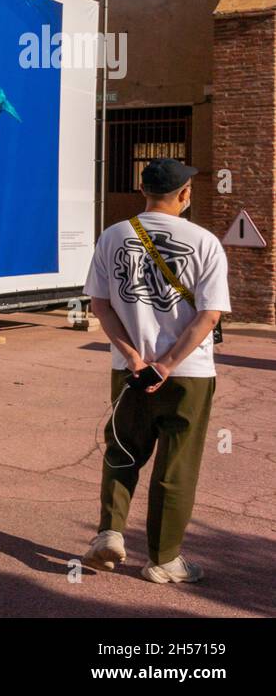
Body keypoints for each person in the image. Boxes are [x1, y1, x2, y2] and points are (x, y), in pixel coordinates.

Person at [81, 158, 230, 583]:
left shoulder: (113, 236)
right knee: (176, 463)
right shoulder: (204, 242)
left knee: (123, 450)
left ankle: (109, 533)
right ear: (184, 195)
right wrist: (166, 365)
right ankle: (164, 560)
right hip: (189, 372)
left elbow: (101, 306)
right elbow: (209, 316)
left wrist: (135, 359)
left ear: (142, 191)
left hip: (130, 370)